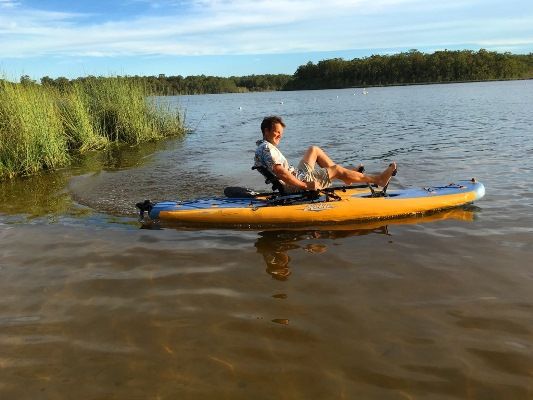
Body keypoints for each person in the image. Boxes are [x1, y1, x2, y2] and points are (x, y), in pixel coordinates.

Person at [254, 115, 397, 192]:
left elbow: (282, 171)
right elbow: (280, 172)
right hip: (298, 183)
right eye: (277, 132)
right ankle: (378, 180)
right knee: (336, 169)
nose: (280, 136)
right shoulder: (267, 148)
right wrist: (305, 186)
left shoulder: (264, 147)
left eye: (281, 133)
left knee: (314, 149)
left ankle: (346, 177)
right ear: (266, 131)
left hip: (297, 174)